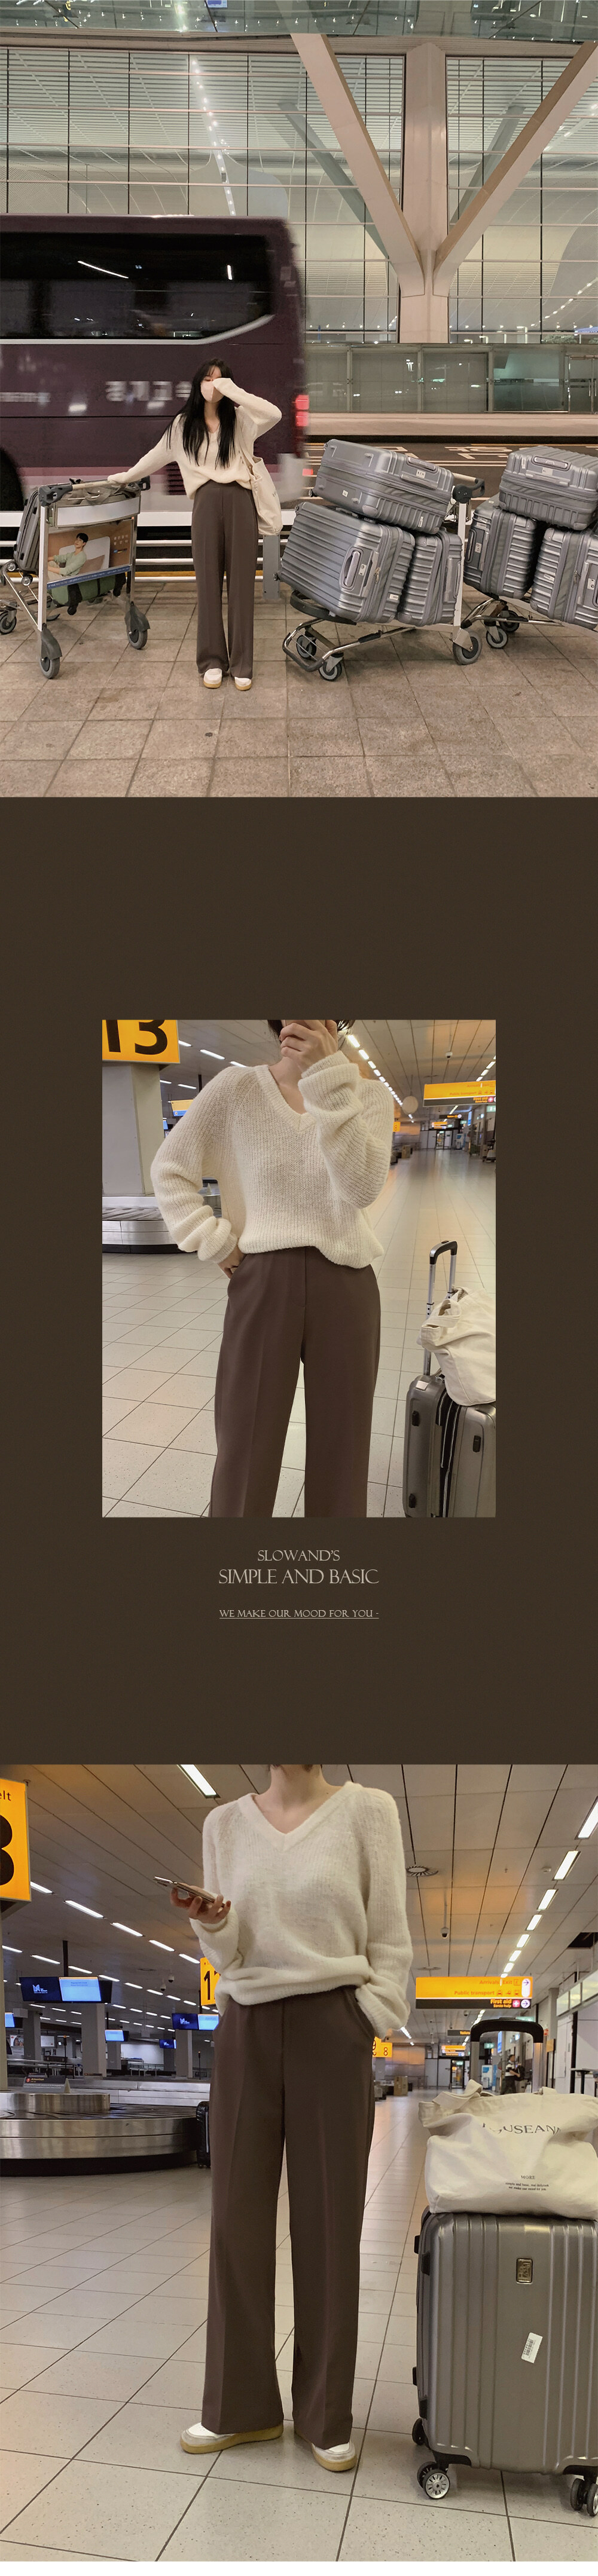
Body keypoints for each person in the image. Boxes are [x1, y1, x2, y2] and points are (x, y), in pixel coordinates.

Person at [169, 1765, 413, 2471]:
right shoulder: (223, 1824)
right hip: (245, 2022)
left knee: (329, 2224)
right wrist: (214, 1923)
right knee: (234, 2221)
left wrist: (367, 2015)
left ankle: (324, 2413)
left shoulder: (368, 1810)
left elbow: (389, 1933)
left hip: (333, 2023)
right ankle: (238, 2407)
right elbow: (226, 1952)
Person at [150, 1019, 393, 1517]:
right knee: (245, 1441)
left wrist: (327, 1078)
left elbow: (362, 1189)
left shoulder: (367, 1096)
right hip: (262, 1279)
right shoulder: (235, 1089)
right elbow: (170, 1169)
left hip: (346, 1281)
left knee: (344, 1446)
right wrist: (214, 1241)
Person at [107, 360, 281, 689]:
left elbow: (274, 414)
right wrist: (126, 477)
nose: (213, 385)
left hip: (241, 502)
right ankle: (212, 660)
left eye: (220, 379)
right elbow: (155, 456)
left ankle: (242, 663)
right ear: (197, 383)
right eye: (208, 379)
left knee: (243, 586)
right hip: (205, 504)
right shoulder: (183, 425)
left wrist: (233, 391)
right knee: (208, 584)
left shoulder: (241, 420)